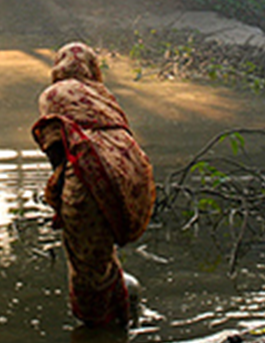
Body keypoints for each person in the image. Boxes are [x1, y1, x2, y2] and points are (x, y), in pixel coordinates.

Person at [32, 42, 156, 328]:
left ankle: (102, 328)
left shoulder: (53, 95)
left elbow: (56, 149)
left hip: (91, 173)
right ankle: (123, 317)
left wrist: (62, 196)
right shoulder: (103, 93)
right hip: (131, 171)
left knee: (89, 265)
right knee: (102, 251)